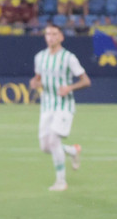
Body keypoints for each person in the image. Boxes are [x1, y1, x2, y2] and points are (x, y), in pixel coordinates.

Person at [29, 23, 90, 192]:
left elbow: (86, 81)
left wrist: (69, 88)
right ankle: (72, 151)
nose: (51, 37)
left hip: (64, 106)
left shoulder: (69, 58)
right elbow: (39, 78)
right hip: (47, 105)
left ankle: (61, 181)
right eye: (48, 34)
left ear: (61, 37)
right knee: (45, 147)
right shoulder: (40, 57)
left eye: (54, 34)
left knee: (54, 139)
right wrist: (35, 83)